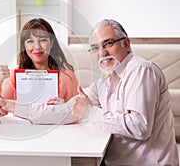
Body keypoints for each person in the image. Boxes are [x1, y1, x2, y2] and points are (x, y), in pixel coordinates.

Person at [72, 19, 179, 165]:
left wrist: (90, 113)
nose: (102, 53)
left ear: (126, 44)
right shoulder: (106, 78)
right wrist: (61, 103)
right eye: (95, 48)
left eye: (108, 43)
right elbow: (80, 101)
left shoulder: (141, 71)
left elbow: (139, 126)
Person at [0, 18, 79, 124]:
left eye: (42, 40)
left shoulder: (66, 76)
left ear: (51, 43)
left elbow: (77, 115)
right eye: (30, 41)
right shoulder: (15, 75)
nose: (37, 47)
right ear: (24, 46)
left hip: (55, 132)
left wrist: (64, 108)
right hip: (22, 132)